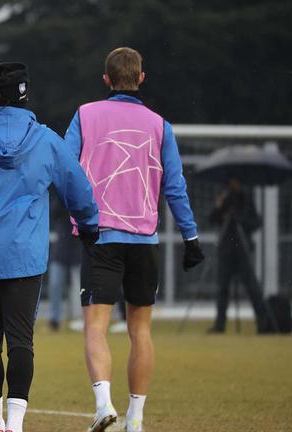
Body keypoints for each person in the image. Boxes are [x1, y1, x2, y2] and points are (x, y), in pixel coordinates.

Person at [64, 48, 205, 432]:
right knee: (140, 331)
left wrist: (80, 217)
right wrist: (190, 237)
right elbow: (175, 186)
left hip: (101, 238)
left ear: (106, 79)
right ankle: (136, 419)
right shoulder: (161, 125)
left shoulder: (85, 115)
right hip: (144, 242)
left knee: (95, 327)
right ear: (141, 78)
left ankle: (103, 403)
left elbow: (66, 172)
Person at [0, 62, 98, 432]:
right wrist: (89, 225)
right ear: (25, 93)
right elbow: (79, 190)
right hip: (25, 256)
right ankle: (16, 425)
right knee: (22, 340)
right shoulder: (46, 139)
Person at [208, 178, 266, 333]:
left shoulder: (246, 198)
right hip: (226, 249)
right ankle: (220, 325)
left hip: (242, 249)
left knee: (252, 287)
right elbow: (213, 219)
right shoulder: (224, 197)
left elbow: (256, 222)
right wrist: (219, 205)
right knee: (222, 288)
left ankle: (263, 323)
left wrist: (239, 219)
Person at [48, 201, 84, 332]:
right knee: (55, 284)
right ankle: (54, 319)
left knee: (78, 286)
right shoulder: (60, 197)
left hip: (79, 246)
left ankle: (77, 318)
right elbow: (53, 213)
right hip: (61, 247)